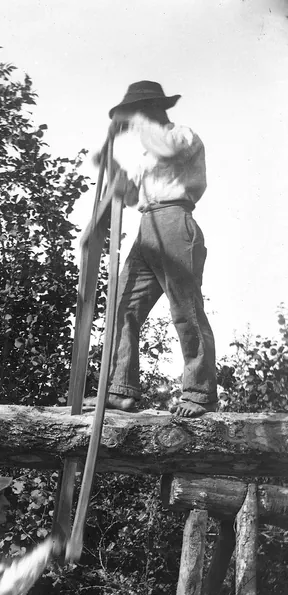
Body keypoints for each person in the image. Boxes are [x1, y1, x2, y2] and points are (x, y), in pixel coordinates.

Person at [97, 80, 217, 418]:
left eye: (139, 113)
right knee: (123, 304)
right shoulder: (144, 153)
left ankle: (199, 393)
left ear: (153, 110)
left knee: (185, 310)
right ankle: (121, 390)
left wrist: (132, 122)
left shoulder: (182, 135)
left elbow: (166, 150)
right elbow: (133, 196)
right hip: (146, 225)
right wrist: (115, 176)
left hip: (175, 221)